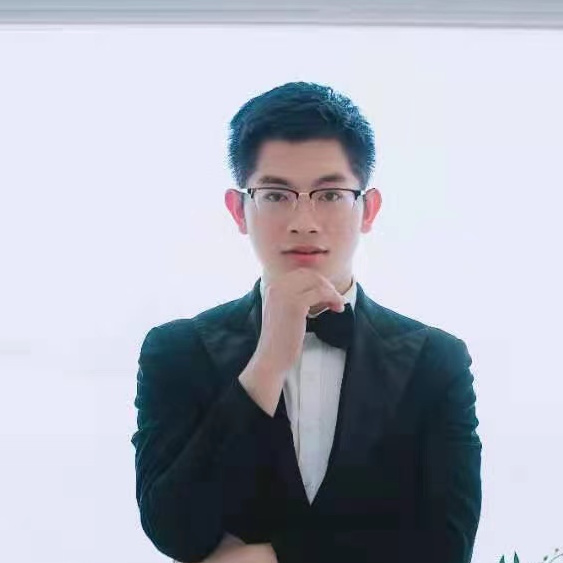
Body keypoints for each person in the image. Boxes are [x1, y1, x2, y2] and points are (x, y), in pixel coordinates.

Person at [131, 81, 482, 563]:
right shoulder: (176, 351)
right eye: (276, 195)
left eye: (330, 194)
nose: (303, 221)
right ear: (239, 210)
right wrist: (267, 365)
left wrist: (268, 558)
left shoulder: (437, 361)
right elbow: (173, 528)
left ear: (368, 209)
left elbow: (447, 548)